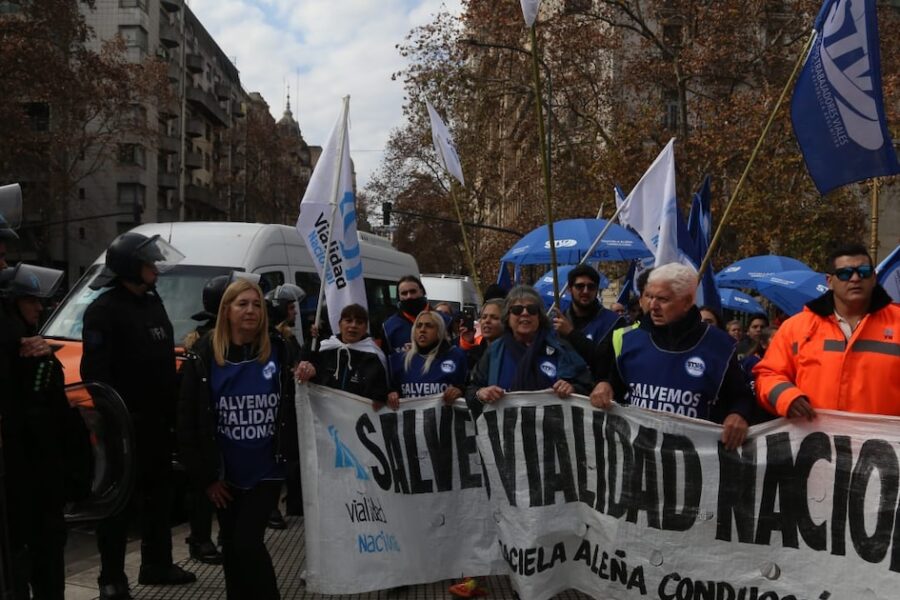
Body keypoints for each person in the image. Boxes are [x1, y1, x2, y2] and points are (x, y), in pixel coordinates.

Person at [80, 232, 195, 600]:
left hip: (159, 422)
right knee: (118, 505)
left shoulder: (152, 302)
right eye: (148, 263)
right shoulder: (103, 310)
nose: (156, 268)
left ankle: (156, 563)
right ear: (130, 266)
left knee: (159, 495)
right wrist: (119, 422)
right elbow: (96, 377)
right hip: (125, 428)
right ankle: (111, 579)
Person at [177, 279, 297, 600]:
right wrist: (206, 478)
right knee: (231, 546)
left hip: (267, 469)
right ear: (226, 311)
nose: (251, 311)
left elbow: (308, 390)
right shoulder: (203, 354)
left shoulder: (280, 349)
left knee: (248, 542)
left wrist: (311, 369)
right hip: (225, 475)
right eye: (242, 304)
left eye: (257, 304)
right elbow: (188, 420)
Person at [590, 263, 755, 450]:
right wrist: (604, 384)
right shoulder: (630, 340)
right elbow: (614, 385)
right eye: (650, 296)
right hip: (638, 459)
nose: (653, 306)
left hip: (694, 460)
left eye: (663, 299)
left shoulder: (720, 346)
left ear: (686, 302)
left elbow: (742, 396)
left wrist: (739, 413)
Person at [1, 264, 90, 600]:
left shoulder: (34, 351)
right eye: (30, 301)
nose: (40, 308)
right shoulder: (23, 357)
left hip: (42, 483)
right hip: (29, 482)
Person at [755, 243, 900, 419]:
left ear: (874, 278)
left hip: (885, 443)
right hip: (816, 442)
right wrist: (786, 398)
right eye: (845, 274)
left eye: (863, 272)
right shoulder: (796, 327)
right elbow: (768, 375)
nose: (855, 278)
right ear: (830, 281)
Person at [467, 285, 592, 419]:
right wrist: (481, 394)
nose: (525, 313)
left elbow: (587, 385)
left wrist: (573, 388)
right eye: (517, 309)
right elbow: (471, 390)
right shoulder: (494, 351)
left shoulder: (560, 348)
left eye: (532, 310)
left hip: (552, 433)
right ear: (508, 317)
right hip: (507, 435)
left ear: (539, 316)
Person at [264, 283, 306, 526]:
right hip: (279, 406)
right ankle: (271, 509)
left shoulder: (286, 336)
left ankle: (293, 505)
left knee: (289, 457)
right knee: (278, 457)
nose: (295, 312)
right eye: (291, 307)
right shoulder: (274, 338)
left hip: (289, 406)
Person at [295, 303, 390, 407]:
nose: (353, 326)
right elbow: (305, 368)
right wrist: (310, 342)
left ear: (365, 328)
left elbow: (380, 394)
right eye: (348, 321)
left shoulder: (374, 357)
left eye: (359, 322)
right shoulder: (325, 348)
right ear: (340, 325)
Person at [552, 264, 624, 378]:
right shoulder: (558, 322)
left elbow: (606, 362)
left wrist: (571, 334)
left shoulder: (614, 323)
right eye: (580, 286)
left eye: (591, 287)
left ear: (596, 290)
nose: (585, 291)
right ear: (570, 289)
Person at [388, 311, 467, 408]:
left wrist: (461, 391)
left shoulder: (456, 356)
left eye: (429, 326)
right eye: (418, 326)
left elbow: (470, 387)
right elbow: (389, 389)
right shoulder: (399, 360)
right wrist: (390, 394)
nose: (422, 330)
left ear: (440, 331)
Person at [382, 275, 449, 355]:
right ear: (399, 297)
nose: (409, 296)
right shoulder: (388, 327)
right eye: (404, 293)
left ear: (422, 292)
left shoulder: (445, 321)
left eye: (413, 291)